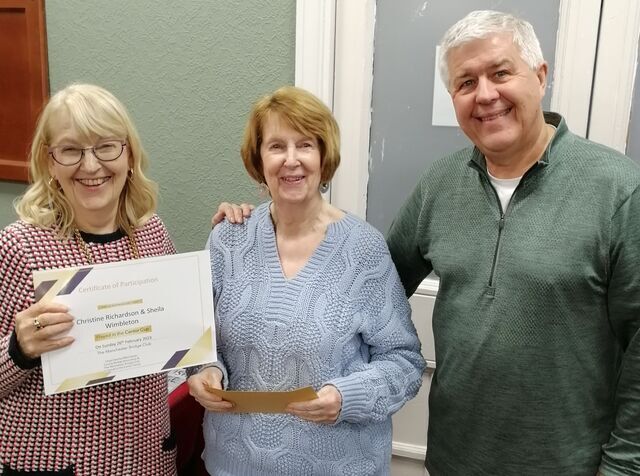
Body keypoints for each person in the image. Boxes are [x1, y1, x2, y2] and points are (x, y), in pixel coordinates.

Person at [214, 10, 640, 476]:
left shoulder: (618, 189)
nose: (485, 95)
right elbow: (365, 285)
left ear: (540, 76)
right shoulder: (441, 185)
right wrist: (251, 233)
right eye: (466, 82)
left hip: (569, 461)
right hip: (454, 454)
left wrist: (623, 465)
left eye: (500, 73)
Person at [188, 85, 425, 475]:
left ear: (323, 157)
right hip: (235, 464)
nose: (291, 160)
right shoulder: (228, 239)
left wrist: (346, 397)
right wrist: (204, 371)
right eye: (276, 146)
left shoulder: (363, 249)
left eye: (305, 145)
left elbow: (404, 361)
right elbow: (198, 341)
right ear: (258, 159)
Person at [0, 84, 178, 475]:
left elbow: (178, 334)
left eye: (106, 147)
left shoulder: (153, 235)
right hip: (55, 462)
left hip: (146, 458)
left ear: (129, 155)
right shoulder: (20, 246)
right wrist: (18, 349)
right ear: (49, 161)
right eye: (71, 150)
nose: (91, 165)